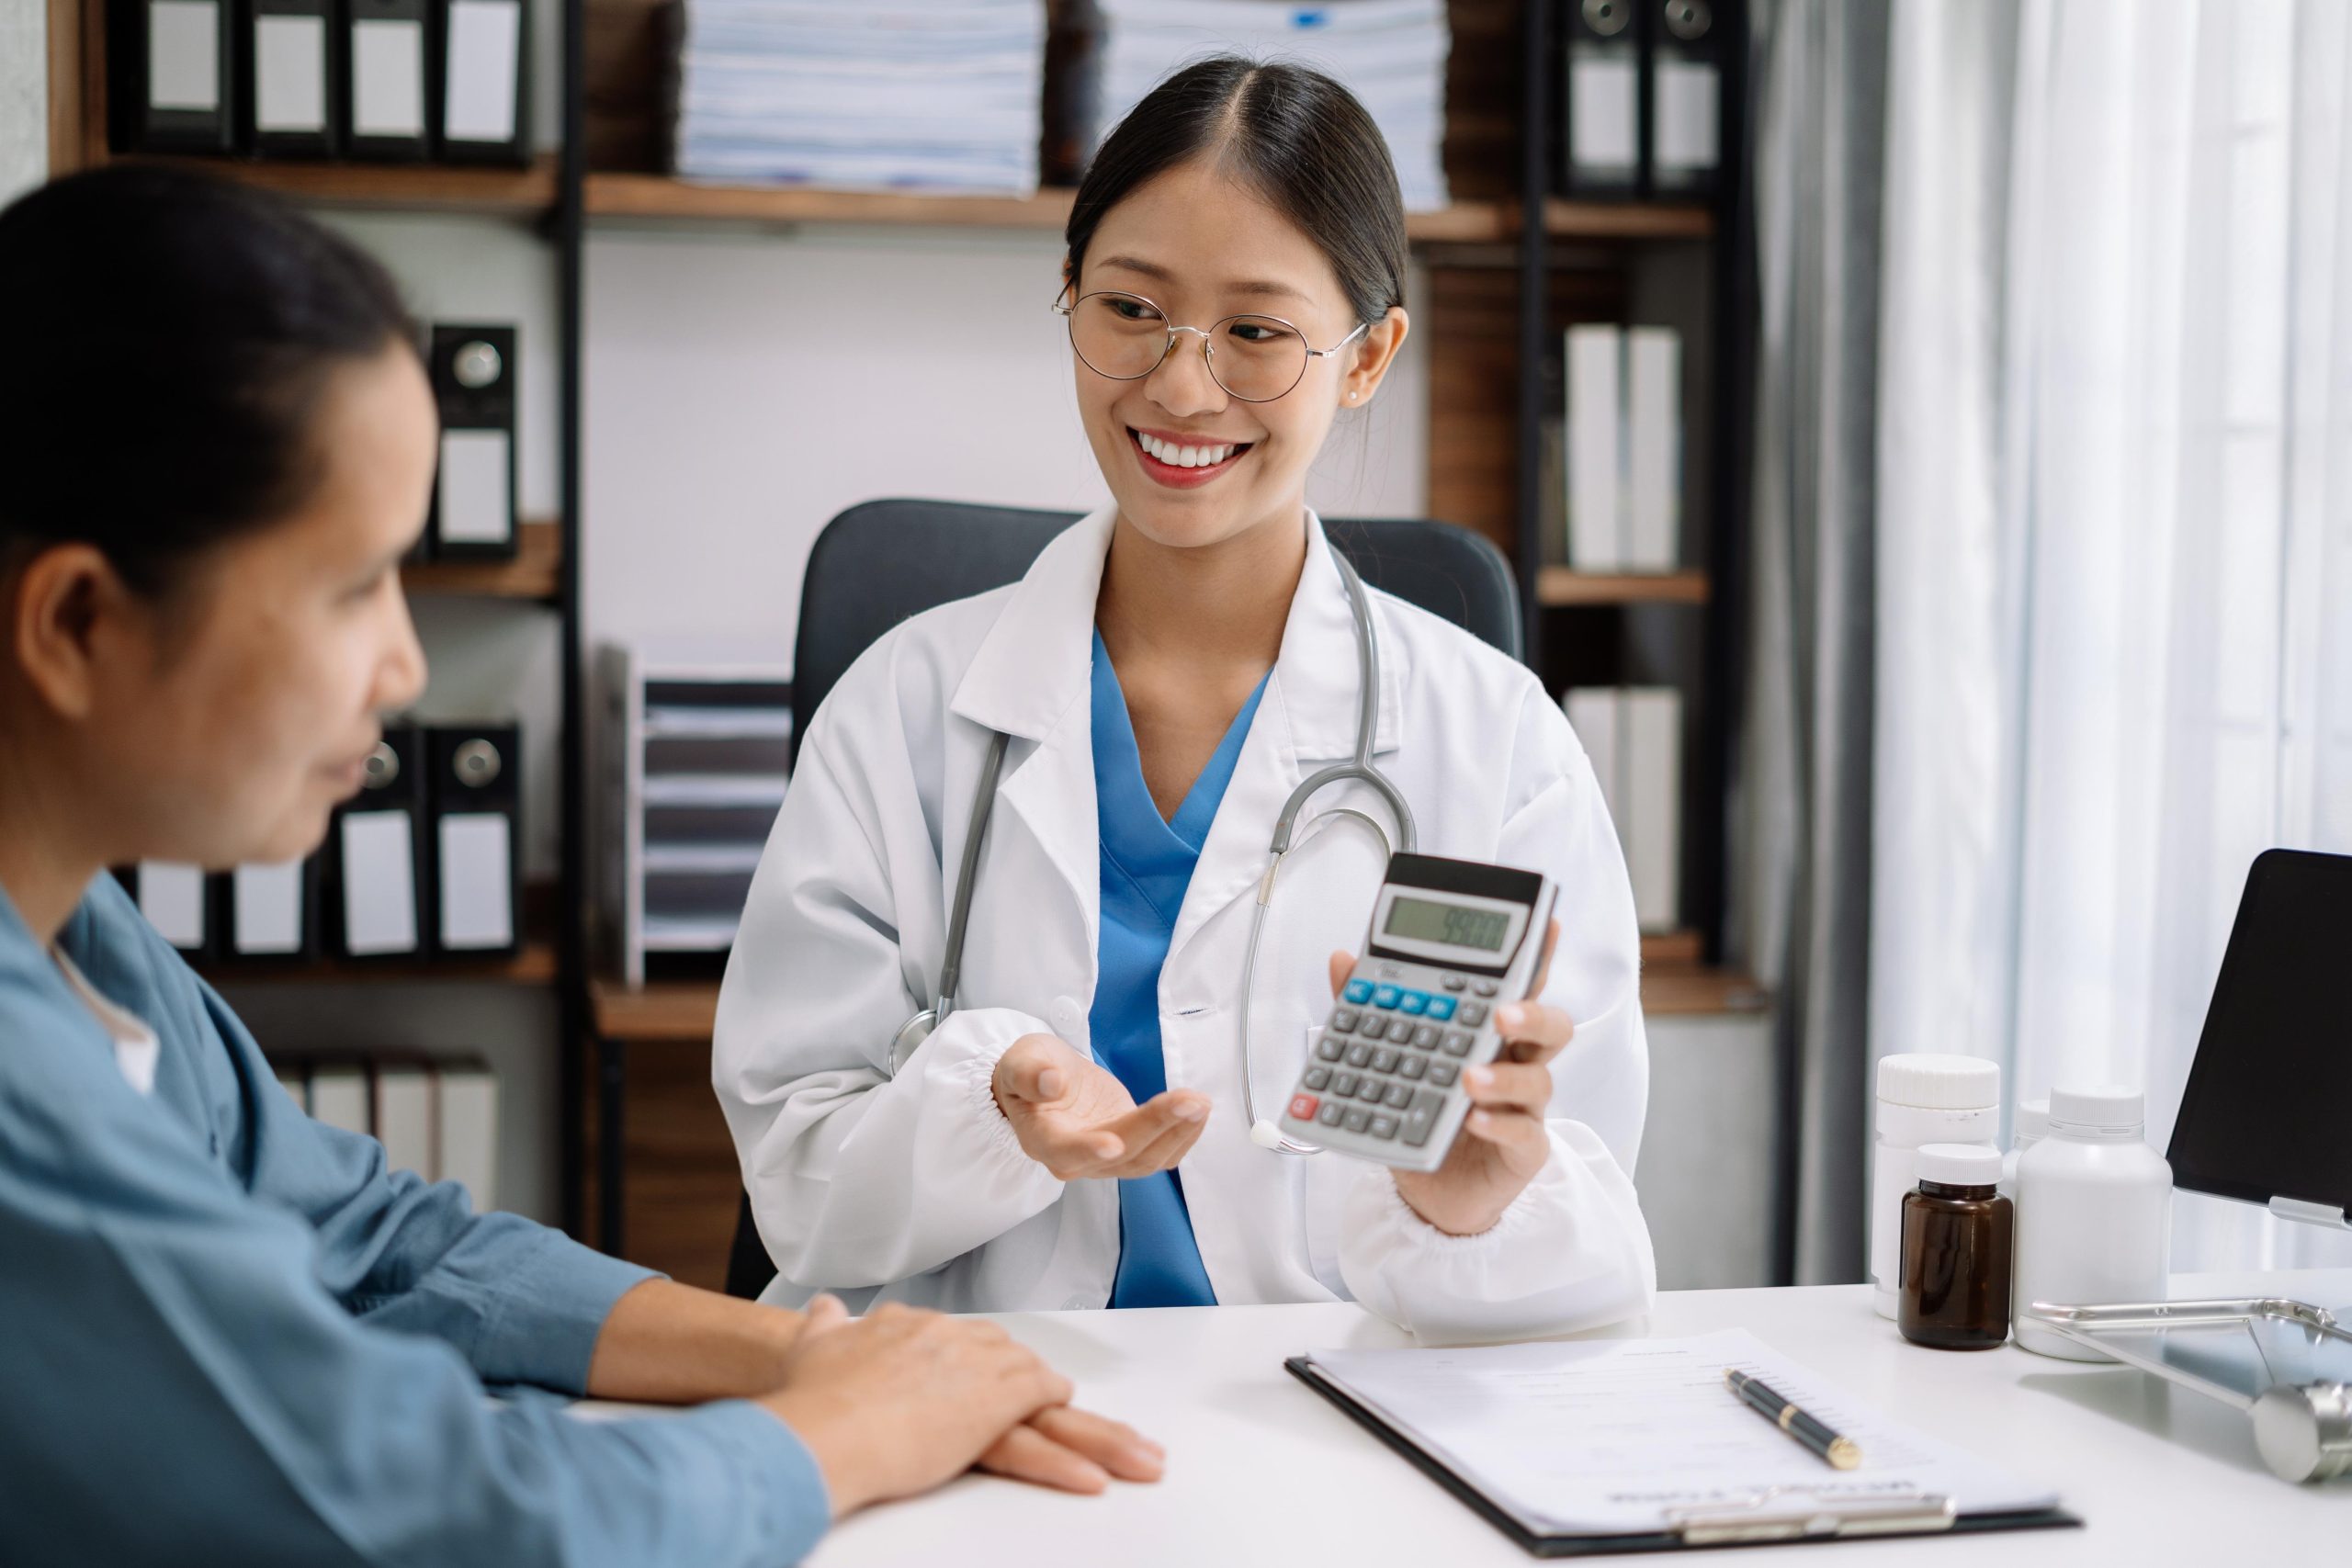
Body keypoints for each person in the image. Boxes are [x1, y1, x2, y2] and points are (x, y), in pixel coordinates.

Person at [0, 165, 1160, 1567]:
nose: (406, 667)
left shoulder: (87, 943)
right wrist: (842, 1434)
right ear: (76, 625)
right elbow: (426, 1519)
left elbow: (374, 1243)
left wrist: (812, 1358)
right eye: (352, 587)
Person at [715, 58, 1657, 1340]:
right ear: (1070, 293)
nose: (1180, 385)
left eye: (1257, 332)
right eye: (1131, 308)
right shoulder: (903, 709)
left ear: (1369, 357)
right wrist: (982, 1107)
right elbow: (796, 1176)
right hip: (970, 1389)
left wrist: (1475, 1209)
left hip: (1324, 1408)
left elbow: (1591, 1210)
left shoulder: (1496, 743)